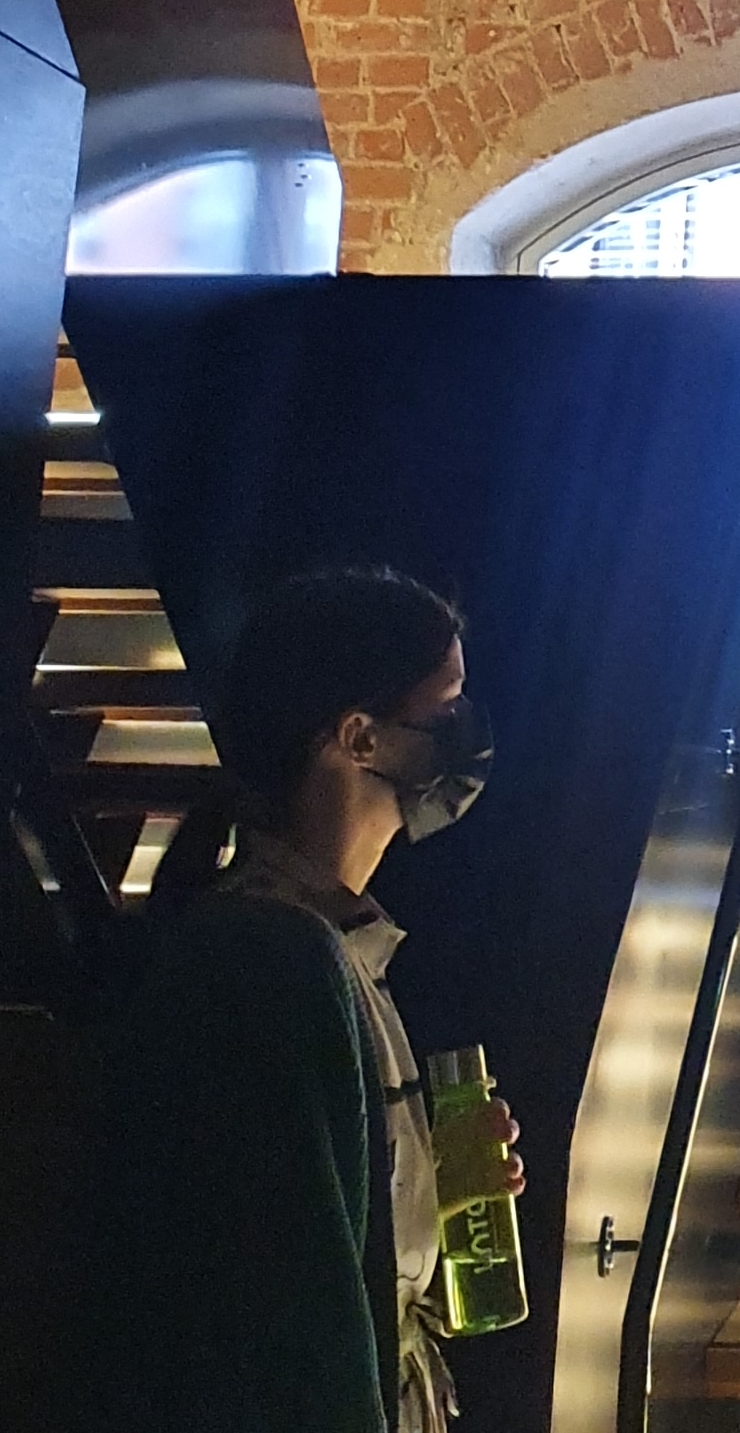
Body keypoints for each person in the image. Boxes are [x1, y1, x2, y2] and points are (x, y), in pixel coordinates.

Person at [56, 567, 517, 1433]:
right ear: (359, 738)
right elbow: (286, 1316)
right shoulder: (272, 958)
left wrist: (439, 1207)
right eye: (447, 707)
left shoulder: (337, 949)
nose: (469, 735)